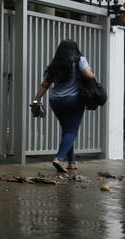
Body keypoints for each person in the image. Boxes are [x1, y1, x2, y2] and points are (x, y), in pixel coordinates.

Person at [32, 39, 95, 173]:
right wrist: (93, 76)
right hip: (74, 101)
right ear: (75, 49)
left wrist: (36, 100)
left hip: (56, 101)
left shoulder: (55, 65)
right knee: (71, 131)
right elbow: (88, 75)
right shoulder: (79, 60)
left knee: (67, 130)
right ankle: (59, 158)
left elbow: (45, 85)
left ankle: (71, 163)